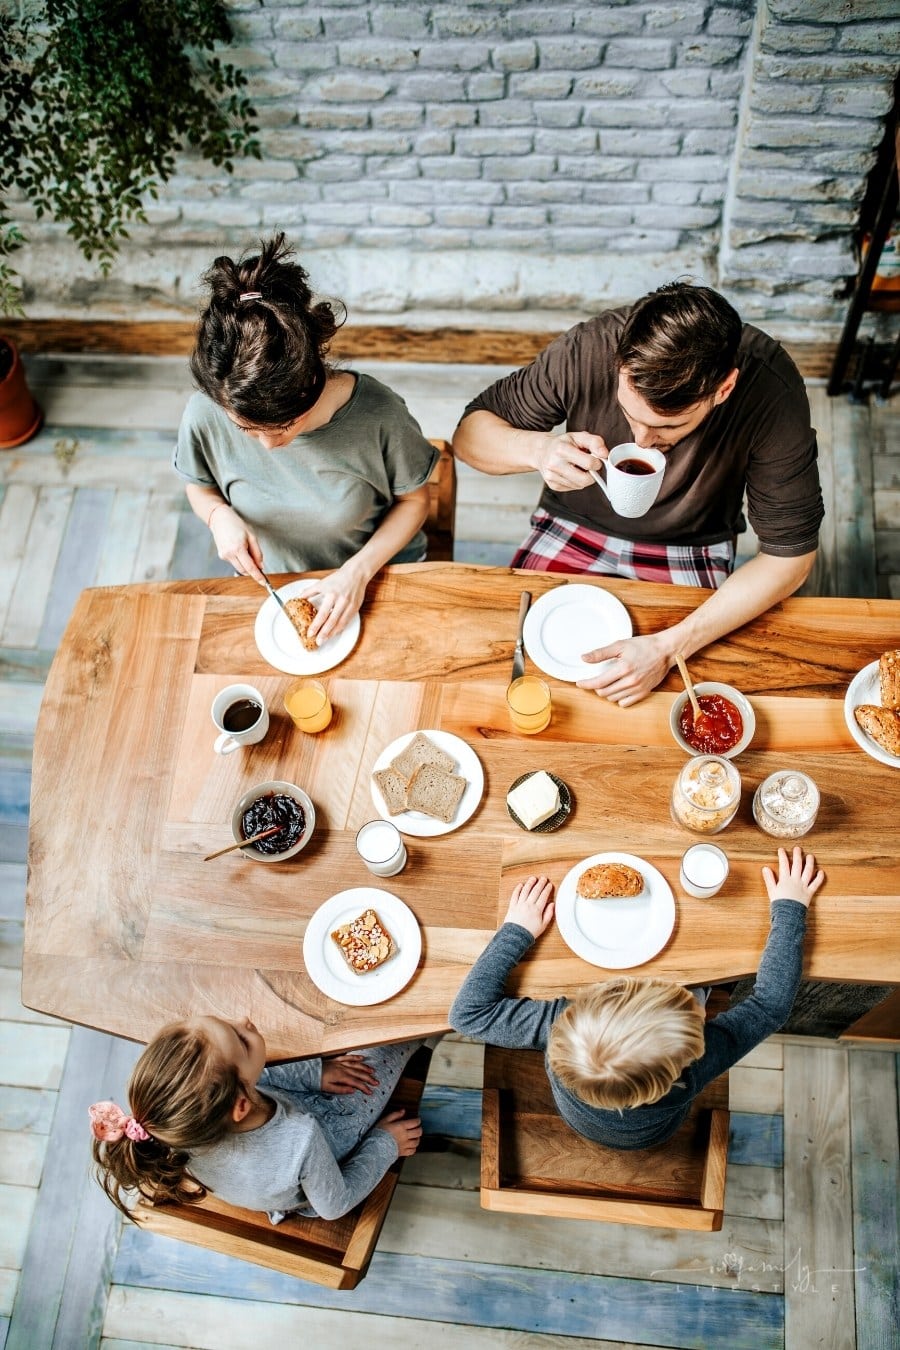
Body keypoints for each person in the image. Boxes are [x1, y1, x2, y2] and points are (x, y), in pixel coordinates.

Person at [452, 283, 824, 705]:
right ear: (619, 365)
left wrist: (670, 647)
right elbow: (468, 437)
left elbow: (790, 556)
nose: (642, 442)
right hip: (571, 525)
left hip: (690, 543)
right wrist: (536, 450)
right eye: (630, 415)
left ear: (723, 389)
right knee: (508, 677)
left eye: (668, 428)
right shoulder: (590, 346)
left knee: (677, 699)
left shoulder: (772, 389)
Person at [449, 847, 824, 1150]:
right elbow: (771, 1004)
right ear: (691, 1051)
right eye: (694, 1016)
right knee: (705, 987)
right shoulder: (696, 1068)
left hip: (583, 1120)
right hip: (656, 1133)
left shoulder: (560, 1025)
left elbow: (467, 1015)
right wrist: (790, 909)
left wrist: (516, 930)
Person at [174, 233, 438, 647]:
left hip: (378, 574)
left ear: (312, 384)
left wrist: (357, 572)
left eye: (282, 428)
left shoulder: (380, 415)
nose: (265, 446)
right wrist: (217, 517)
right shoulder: (204, 412)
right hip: (275, 585)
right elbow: (200, 487)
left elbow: (416, 501)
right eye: (245, 429)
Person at [89, 1015, 424, 1222]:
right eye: (240, 1039)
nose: (244, 1020)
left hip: (273, 1151)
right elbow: (334, 1205)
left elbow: (259, 1079)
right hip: (333, 1135)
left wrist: (315, 1072)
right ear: (240, 1105)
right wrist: (384, 1145)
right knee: (398, 1035)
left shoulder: (179, 1126)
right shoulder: (302, 1138)